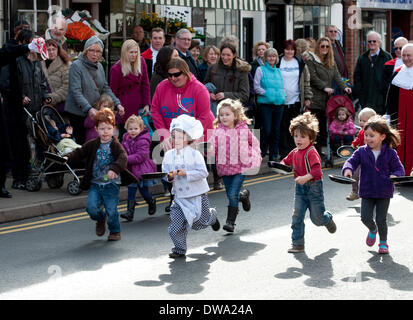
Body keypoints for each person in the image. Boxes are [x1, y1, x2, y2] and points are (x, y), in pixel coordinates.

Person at [151, 57, 214, 210]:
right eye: (170, 75)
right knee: (173, 170)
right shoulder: (162, 87)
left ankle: (203, 208)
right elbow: (155, 110)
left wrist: (191, 141)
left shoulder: (199, 89)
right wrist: (164, 134)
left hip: (194, 137)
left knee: (192, 173)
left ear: (185, 73)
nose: (173, 78)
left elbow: (204, 116)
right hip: (172, 137)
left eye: (177, 74)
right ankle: (176, 203)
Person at [64, 108, 136, 241]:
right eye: (102, 128)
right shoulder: (92, 144)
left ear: (113, 129)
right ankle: (101, 219)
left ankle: (114, 231)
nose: (105, 132)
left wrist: (114, 169)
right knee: (91, 208)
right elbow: (79, 152)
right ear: (96, 129)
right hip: (96, 183)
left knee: (112, 210)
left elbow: (123, 157)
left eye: (108, 128)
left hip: (111, 183)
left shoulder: (115, 145)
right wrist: (67, 157)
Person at [342, 115, 405, 254]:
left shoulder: (390, 152)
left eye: (372, 135)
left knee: (381, 219)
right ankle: (372, 229)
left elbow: (399, 169)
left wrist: (396, 175)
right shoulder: (361, 151)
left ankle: (383, 243)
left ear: (382, 136)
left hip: (384, 191)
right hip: (367, 190)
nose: (368, 138)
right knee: (365, 217)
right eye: (366, 135)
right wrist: (347, 169)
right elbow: (351, 162)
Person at [162, 114, 220, 258]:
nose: (175, 140)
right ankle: (179, 249)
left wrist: (186, 173)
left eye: (179, 137)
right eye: (173, 136)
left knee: (199, 223)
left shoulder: (195, 154)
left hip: (197, 195)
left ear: (188, 138)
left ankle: (212, 216)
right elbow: (165, 174)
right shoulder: (168, 155)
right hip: (179, 197)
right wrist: (169, 177)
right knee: (175, 226)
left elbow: (203, 172)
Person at [280, 112, 337, 253]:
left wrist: (305, 177)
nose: (298, 139)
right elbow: (285, 162)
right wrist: (280, 167)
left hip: (314, 188)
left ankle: (327, 218)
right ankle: (297, 244)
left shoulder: (311, 152)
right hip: (300, 189)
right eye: (296, 136)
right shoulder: (294, 152)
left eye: (303, 136)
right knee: (297, 215)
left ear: (311, 138)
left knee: (317, 219)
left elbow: (317, 171)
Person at [208, 99, 262, 233]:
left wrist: (258, 153)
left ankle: (230, 222)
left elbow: (254, 143)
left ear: (235, 116)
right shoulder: (216, 132)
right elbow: (211, 147)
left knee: (232, 195)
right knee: (231, 194)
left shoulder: (243, 129)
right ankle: (243, 196)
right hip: (225, 169)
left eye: (227, 114)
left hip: (241, 167)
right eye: (221, 115)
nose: (224, 117)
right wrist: (209, 150)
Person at [65, 36, 124, 144]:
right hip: (78, 113)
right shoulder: (76, 66)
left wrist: (117, 103)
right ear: (86, 51)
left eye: (98, 51)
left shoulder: (100, 67)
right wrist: (88, 108)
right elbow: (76, 91)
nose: (95, 54)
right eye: (92, 50)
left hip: (93, 111)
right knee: (81, 144)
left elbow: (105, 87)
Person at [305, 37, 352, 155]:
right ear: (318, 47)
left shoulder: (331, 62)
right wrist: (324, 87)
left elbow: (337, 76)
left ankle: (322, 151)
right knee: (316, 128)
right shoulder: (312, 60)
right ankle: (315, 152)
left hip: (327, 100)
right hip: (315, 99)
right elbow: (312, 77)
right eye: (322, 46)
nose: (325, 48)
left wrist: (344, 87)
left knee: (325, 128)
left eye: (327, 46)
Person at [277, 39, 313, 159]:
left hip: (296, 100)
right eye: (287, 49)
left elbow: (306, 81)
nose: (289, 52)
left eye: (292, 49)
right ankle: (283, 153)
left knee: (295, 128)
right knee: (282, 127)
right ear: (283, 50)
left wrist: (307, 97)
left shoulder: (300, 63)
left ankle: (294, 153)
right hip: (281, 101)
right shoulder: (278, 62)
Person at [110, 39, 150, 137]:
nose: (134, 55)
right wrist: (116, 107)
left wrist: (147, 104)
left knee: (142, 136)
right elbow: (113, 92)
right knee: (127, 137)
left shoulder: (141, 62)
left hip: (139, 106)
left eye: (136, 52)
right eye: (131, 52)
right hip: (125, 108)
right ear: (125, 53)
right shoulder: (116, 69)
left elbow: (145, 84)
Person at [120, 115, 157, 221]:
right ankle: (130, 212)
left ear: (141, 129)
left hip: (141, 169)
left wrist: (125, 159)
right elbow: (122, 151)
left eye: (136, 129)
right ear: (127, 129)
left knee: (143, 190)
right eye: (130, 129)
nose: (133, 131)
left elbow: (141, 156)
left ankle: (151, 201)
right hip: (131, 169)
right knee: (131, 189)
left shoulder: (143, 140)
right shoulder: (125, 139)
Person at [385, 43, 413, 172]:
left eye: (409, 55)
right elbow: (391, 98)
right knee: (399, 143)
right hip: (400, 117)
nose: (406, 58)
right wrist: (390, 115)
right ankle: (401, 171)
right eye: (404, 55)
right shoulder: (397, 73)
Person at [253, 48, 285, 161]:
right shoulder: (260, 70)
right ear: (265, 58)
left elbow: (282, 86)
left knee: (276, 130)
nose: (272, 58)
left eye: (274, 56)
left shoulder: (279, 71)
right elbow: (256, 86)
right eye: (269, 56)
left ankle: (273, 155)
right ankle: (261, 152)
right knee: (266, 130)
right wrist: (267, 93)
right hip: (265, 104)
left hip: (279, 104)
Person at [353, 31, 392, 114]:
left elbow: (390, 77)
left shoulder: (387, 57)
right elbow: (357, 77)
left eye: (374, 41)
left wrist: (384, 93)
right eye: (369, 41)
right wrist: (360, 94)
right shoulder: (362, 58)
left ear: (379, 42)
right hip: (366, 100)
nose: (372, 43)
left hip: (381, 101)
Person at [204, 42, 251, 107]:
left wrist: (225, 95)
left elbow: (244, 95)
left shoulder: (241, 70)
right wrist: (209, 94)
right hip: (215, 109)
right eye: (223, 54)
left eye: (228, 55)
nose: (225, 57)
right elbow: (204, 86)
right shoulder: (213, 68)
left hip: (234, 109)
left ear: (234, 55)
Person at [347, 107, 377, 201]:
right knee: (355, 174)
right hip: (361, 157)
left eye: (364, 121)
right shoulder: (361, 132)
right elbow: (358, 139)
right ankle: (355, 192)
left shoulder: (375, 133)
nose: (361, 123)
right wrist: (354, 144)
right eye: (360, 120)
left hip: (372, 159)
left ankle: (374, 193)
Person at [41, 39, 71, 114]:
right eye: (48, 50)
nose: (51, 52)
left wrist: (51, 98)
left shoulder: (65, 65)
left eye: (53, 49)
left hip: (61, 107)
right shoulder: (39, 65)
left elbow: (66, 88)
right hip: (42, 106)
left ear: (58, 50)